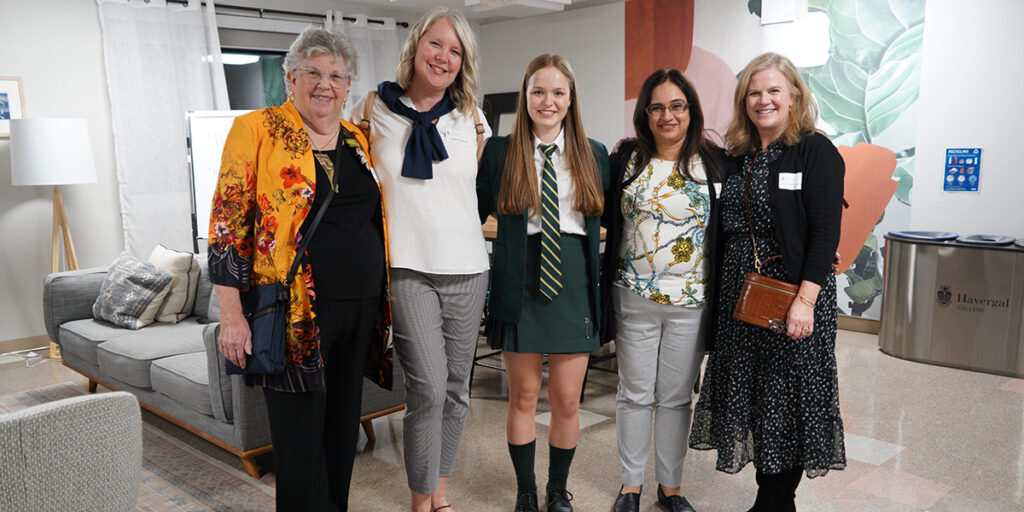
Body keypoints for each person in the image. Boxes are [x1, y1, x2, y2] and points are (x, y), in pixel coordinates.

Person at [209, 27, 389, 512]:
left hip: (360, 307)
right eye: (313, 72)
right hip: (294, 315)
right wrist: (231, 315)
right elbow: (228, 229)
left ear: (348, 85)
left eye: (336, 75)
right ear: (291, 78)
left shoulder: (356, 139)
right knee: (298, 439)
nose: (324, 84)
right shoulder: (257, 130)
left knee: (340, 432)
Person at [688, 52, 847, 512]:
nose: (764, 100)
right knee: (756, 399)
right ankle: (770, 496)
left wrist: (805, 301)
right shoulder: (737, 157)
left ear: (794, 96)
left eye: (774, 90)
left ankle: (776, 500)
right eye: (754, 93)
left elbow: (824, 233)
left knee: (789, 405)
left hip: (791, 298)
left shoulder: (815, 151)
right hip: (741, 300)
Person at [348, 7, 491, 512]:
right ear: (416, 47)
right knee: (428, 389)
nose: (444, 57)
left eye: (455, 51)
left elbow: (463, 194)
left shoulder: (471, 117)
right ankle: (419, 500)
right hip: (407, 268)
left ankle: (440, 493)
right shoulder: (373, 108)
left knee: (457, 391)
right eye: (436, 44)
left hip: (469, 268)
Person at [477, 53, 610, 512]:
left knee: (567, 399)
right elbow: (472, 213)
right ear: (525, 96)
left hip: (575, 280)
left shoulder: (593, 153)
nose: (547, 101)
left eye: (557, 92)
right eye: (538, 91)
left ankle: (557, 489)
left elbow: (614, 218)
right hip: (520, 280)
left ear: (571, 99)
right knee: (525, 395)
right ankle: (526, 492)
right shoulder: (499, 152)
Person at [602, 69, 723, 512]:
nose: (667, 115)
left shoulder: (714, 162)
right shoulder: (626, 161)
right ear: (645, 113)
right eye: (657, 106)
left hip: (691, 303)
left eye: (677, 105)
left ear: (691, 111)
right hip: (633, 298)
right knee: (634, 394)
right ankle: (630, 486)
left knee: (674, 399)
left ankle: (670, 487)